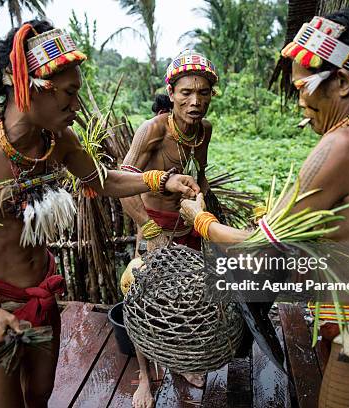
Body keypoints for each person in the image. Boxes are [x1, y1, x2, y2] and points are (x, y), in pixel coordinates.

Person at [0, 20, 200, 408]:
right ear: (27, 86)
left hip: (44, 298)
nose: (76, 106)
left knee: (39, 396)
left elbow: (100, 181)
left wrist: (160, 181)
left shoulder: (57, 140)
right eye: (68, 94)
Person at [180, 9, 349, 408]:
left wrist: (202, 221)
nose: (299, 99)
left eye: (303, 87)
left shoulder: (342, 146)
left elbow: (258, 248)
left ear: (343, 82)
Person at [119, 49, 217, 408]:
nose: (195, 101)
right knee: (141, 298)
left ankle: (186, 361)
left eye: (203, 93)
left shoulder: (204, 130)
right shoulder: (153, 131)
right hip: (153, 225)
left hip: (188, 224)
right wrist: (150, 231)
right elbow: (123, 186)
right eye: (186, 93)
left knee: (190, 295)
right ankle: (145, 378)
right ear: (171, 94)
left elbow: (201, 175)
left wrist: (203, 206)